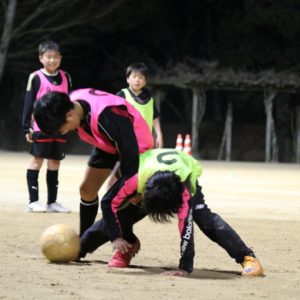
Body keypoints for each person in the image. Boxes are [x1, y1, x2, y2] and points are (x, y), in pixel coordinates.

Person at [78, 148, 264, 277]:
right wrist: (116, 237)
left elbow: (186, 227)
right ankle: (82, 248)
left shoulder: (184, 193)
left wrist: (185, 267)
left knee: (204, 218)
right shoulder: (135, 179)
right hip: (148, 175)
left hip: (182, 177)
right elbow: (108, 202)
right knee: (123, 207)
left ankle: (247, 257)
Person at [33, 89, 154, 237]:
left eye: (61, 129)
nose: (63, 132)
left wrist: (134, 187)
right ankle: (84, 237)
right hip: (107, 142)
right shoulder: (72, 104)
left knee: (118, 196)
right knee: (87, 190)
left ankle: (122, 241)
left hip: (136, 147)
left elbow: (129, 149)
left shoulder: (106, 116)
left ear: (70, 115)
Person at [22, 40, 72, 213]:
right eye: (48, 57)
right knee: (37, 161)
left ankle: (52, 202)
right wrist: (26, 127)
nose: (52, 60)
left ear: (60, 58)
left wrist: (69, 124)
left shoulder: (66, 76)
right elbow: (29, 103)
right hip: (41, 127)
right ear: (41, 58)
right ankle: (33, 201)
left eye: (55, 57)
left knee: (55, 162)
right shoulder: (36, 77)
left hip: (60, 127)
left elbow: (70, 103)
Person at [117, 62, 163, 148]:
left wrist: (159, 135)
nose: (137, 80)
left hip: (146, 143)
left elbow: (155, 118)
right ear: (127, 79)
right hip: (127, 142)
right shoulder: (122, 95)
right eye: (134, 77)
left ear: (145, 81)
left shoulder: (149, 99)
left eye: (141, 77)